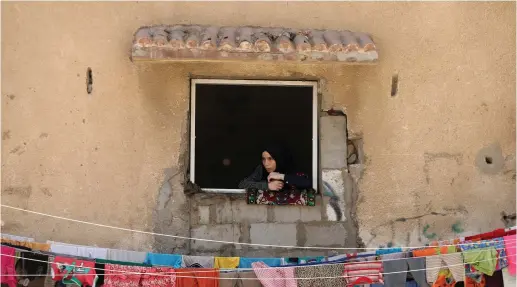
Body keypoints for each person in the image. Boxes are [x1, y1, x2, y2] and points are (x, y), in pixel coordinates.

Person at [238, 144, 311, 191]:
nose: (266, 163)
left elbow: (307, 183)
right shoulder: (261, 169)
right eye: (263, 159)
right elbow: (242, 184)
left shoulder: (289, 167)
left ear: (278, 159)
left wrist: (282, 176)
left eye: (270, 159)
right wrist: (267, 186)